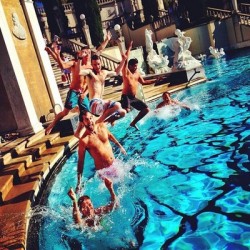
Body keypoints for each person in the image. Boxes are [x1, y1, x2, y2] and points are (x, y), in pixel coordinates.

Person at [45, 32, 112, 135]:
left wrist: (107, 39)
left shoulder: (91, 66)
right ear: (81, 53)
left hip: (83, 93)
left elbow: (99, 50)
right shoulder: (75, 63)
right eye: (86, 52)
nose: (88, 54)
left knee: (88, 113)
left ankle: (90, 131)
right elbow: (62, 66)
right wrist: (57, 54)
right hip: (73, 92)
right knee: (65, 112)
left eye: (89, 52)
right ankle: (52, 125)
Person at [76, 111, 126, 193]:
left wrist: (120, 146)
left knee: (124, 188)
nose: (90, 121)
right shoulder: (84, 140)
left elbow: (109, 135)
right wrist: (79, 183)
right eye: (86, 119)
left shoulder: (101, 126)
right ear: (82, 122)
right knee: (112, 195)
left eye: (91, 118)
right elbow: (80, 162)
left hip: (114, 164)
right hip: (104, 172)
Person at [79, 53, 127, 125]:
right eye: (94, 65)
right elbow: (79, 72)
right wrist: (79, 60)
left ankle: (105, 122)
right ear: (91, 65)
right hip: (93, 103)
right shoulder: (90, 73)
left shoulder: (104, 72)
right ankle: (99, 122)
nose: (97, 66)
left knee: (123, 112)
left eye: (98, 64)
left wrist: (123, 60)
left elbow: (116, 73)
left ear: (101, 63)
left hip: (101, 103)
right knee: (117, 105)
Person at [121, 41, 159, 130]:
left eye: (136, 66)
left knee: (146, 109)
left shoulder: (137, 74)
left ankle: (133, 123)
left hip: (133, 97)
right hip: (125, 96)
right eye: (134, 66)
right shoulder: (126, 72)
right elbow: (126, 59)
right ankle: (112, 117)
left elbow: (144, 82)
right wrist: (129, 47)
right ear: (129, 66)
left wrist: (155, 80)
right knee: (127, 110)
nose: (136, 67)